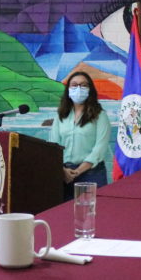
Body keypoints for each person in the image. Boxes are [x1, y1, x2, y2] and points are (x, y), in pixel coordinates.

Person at [49, 71, 111, 201]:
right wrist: (63, 170)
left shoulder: (100, 115)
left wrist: (78, 171)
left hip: (92, 173)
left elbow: (100, 148)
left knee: (93, 210)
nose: (78, 88)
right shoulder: (61, 116)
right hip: (64, 174)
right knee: (63, 211)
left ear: (90, 89)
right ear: (68, 90)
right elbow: (53, 146)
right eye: (74, 85)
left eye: (83, 85)